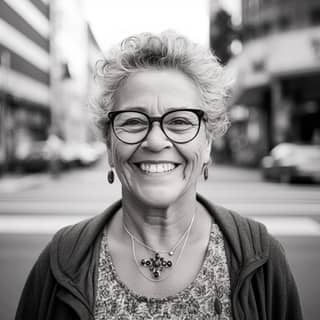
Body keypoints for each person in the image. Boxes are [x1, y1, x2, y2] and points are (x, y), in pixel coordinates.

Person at [15, 30, 303, 320]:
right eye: (133, 122)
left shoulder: (262, 258)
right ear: (109, 145)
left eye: (179, 121)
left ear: (208, 143)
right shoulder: (61, 261)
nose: (155, 141)